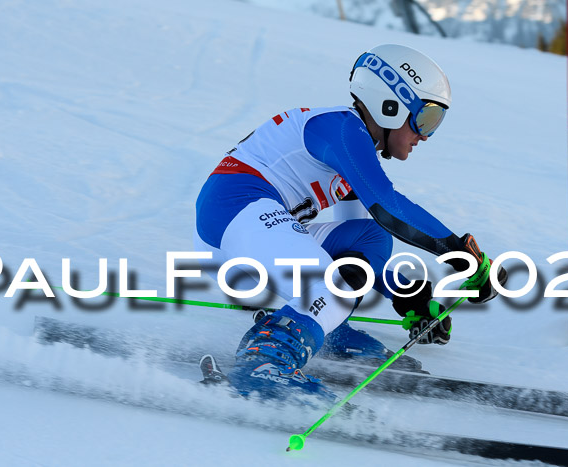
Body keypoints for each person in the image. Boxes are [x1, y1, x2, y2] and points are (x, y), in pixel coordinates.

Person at [194, 44, 507, 400]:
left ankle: (321, 333)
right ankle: (265, 361)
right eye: (426, 118)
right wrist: (461, 253)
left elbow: (360, 255)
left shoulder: (355, 149)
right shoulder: (343, 130)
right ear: (391, 105)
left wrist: (409, 294)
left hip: (250, 228)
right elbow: (387, 205)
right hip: (233, 220)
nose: (425, 135)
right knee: (330, 285)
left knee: (370, 239)